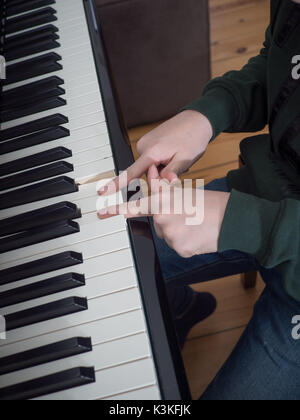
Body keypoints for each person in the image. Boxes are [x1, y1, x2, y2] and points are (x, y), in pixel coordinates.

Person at [98, 0, 300, 400]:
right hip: (266, 192)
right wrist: (208, 114)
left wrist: (245, 222)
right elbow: (278, 66)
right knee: (101, 237)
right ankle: (176, 306)